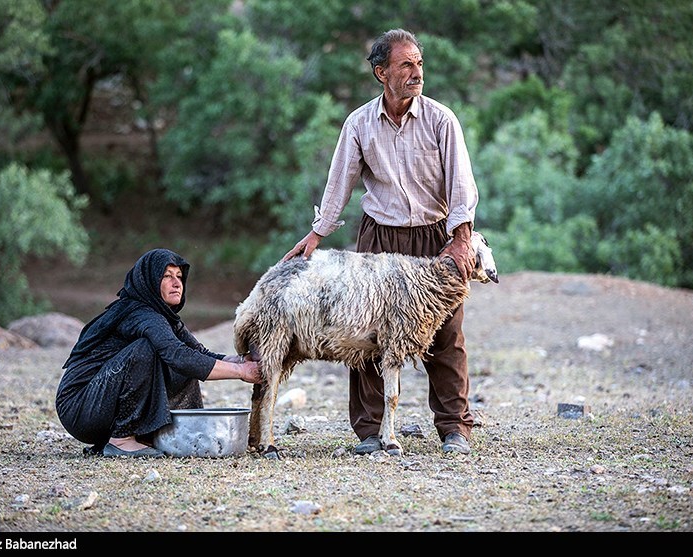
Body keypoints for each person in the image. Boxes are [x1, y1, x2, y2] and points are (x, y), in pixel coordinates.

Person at [282, 28, 480, 456]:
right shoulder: (358, 123)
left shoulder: (441, 119)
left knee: (446, 335)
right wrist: (317, 234)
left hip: (434, 237)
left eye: (419, 64)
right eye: (406, 64)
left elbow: (462, 185)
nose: (416, 72)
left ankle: (454, 428)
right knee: (368, 334)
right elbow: (340, 185)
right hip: (379, 238)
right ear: (381, 73)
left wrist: (461, 239)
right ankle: (370, 431)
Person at [55, 248, 262, 458]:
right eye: (166, 276)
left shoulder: (164, 318)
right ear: (149, 282)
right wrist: (241, 372)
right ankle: (121, 439)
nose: (176, 283)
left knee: (187, 357)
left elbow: (199, 353)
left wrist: (242, 360)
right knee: (149, 351)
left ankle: (152, 434)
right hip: (79, 406)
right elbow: (179, 356)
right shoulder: (140, 313)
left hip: (99, 405)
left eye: (179, 276)